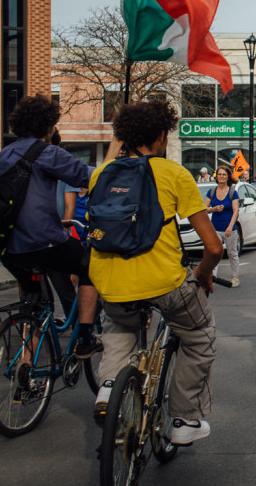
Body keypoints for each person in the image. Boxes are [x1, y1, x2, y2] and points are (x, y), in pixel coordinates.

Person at [88, 100, 222, 444]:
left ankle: (108, 387)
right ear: (162, 134)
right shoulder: (174, 174)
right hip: (165, 282)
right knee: (199, 337)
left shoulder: (101, 174)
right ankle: (182, 420)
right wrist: (204, 273)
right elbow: (214, 247)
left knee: (118, 323)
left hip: (110, 281)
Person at [0, 95, 100, 355]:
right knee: (91, 265)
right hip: (45, 242)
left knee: (36, 303)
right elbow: (89, 176)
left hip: (9, 247)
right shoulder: (48, 153)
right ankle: (86, 337)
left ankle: (24, 367)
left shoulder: (3, 154)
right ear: (48, 126)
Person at [205, 166, 241, 287]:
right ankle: (212, 277)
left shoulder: (232, 192)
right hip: (215, 228)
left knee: (232, 253)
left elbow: (236, 211)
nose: (221, 177)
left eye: (224, 175)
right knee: (215, 253)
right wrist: (213, 209)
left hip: (229, 228)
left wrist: (230, 227)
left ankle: (235, 277)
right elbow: (204, 209)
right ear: (216, 177)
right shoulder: (211, 192)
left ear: (228, 177)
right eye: (219, 175)